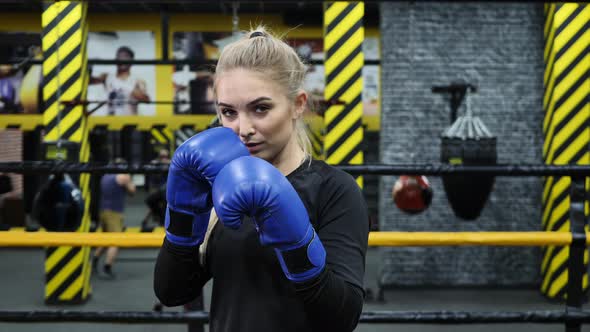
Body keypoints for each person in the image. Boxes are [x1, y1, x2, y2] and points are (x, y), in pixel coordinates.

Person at [154, 26, 369, 332]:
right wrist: (182, 218)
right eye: (228, 112)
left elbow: (341, 319)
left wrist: (297, 243)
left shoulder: (334, 190)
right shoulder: (218, 185)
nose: (243, 128)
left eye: (261, 108)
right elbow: (172, 292)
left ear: (298, 104)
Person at [93, 159, 136, 279]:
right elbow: (132, 191)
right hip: (114, 213)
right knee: (116, 240)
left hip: (103, 211)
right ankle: (108, 266)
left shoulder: (105, 176)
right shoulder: (122, 177)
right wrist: (129, 179)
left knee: (106, 238)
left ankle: (95, 260)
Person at [90, 46, 150, 115]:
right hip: (110, 121)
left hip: (129, 122)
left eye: (125, 57)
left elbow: (146, 100)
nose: (122, 59)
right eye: (119, 56)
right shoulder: (106, 77)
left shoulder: (138, 81)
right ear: (116, 59)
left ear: (132, 60)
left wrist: (123, 85)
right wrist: (90, 67)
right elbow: (89, 82)